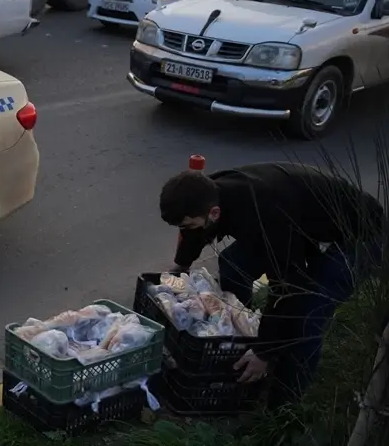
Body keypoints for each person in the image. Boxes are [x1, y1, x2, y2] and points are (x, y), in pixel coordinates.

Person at [159, 163, 384, 407]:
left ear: (214, 213)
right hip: (302, 220)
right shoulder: (208, 193)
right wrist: (181, 267)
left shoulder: (268, 212)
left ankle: (284, 405)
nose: (187, 230)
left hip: (360, 234)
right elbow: (194, 230)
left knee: (307, 313)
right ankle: (236, 340)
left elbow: (288, 285)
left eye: (189, 225)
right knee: (234, 265)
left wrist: (263, 352)